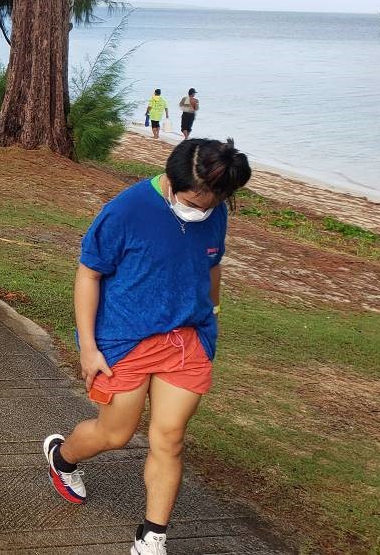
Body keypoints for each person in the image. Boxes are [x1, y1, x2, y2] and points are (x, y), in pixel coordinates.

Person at [43, 139, 251, 555]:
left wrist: (212, 315)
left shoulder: (215, 207)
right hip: (124, 340)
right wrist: (88, 347)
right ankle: (62, 458)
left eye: (214, 202)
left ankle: (152, 538)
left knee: (170, 439)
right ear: (173, 181)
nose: (203, 210)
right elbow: (89, 274)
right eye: (194, 202)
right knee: (115, 434)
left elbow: (212, 264)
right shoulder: (126, 210)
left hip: (186, 340)